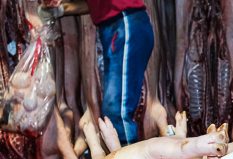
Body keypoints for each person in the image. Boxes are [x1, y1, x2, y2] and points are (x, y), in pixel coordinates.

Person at [39, 0, 154, 145]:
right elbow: (93, 5)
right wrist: (62, 10)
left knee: (117, 109)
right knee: (115, 107)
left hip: (125, 23)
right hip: (115, 28)